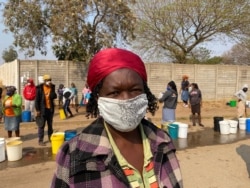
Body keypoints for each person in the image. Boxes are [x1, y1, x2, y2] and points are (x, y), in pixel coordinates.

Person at [51, 48, 183, 188]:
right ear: (97, 97)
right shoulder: (73, 155)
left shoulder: (163, 142)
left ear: (145, 92)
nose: (126, 100)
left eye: (135, 90)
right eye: (114, 92)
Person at [35, 74, 57, 146]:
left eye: (50, 80)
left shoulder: (52, 87)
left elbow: (54, 96)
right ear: (44, 81)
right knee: (41, 125)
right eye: (47, 80)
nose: (49, 82)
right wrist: (38, 110)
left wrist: (52, 89)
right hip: (42, 110)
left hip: (50, 109)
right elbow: (37, 100)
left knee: (50, 125)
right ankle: (40, 140)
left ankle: (50, 138)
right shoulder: (39, 88)